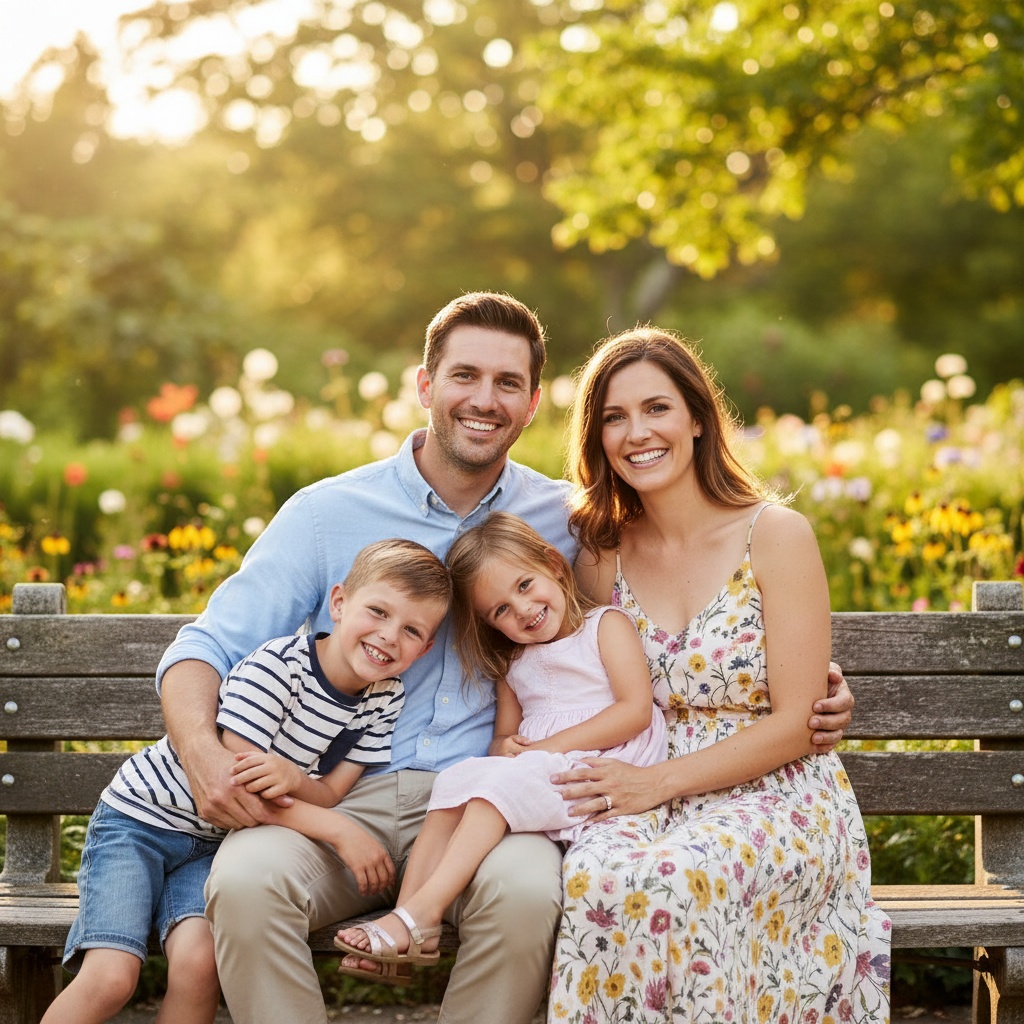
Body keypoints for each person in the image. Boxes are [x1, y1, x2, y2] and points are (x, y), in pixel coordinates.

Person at [155, 291, 855, 1024]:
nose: (483, 400)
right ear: (425, 386)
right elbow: (204, 648)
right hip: (341, 794)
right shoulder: (327, 514)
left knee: (530, 896)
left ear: (532, 406)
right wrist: (202, 752)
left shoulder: (572, 522)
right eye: (464, 376)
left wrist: (816, 695)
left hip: (497, 802)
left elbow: (676, 622)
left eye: (507, 384)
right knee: (244, 883)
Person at [546, 327, 890, 1023]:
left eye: (657, 408)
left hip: (776, 791)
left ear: (698, 419)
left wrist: (657, 784)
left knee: (676, 877)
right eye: (613, 417)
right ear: (596, 436)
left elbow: (797, 723)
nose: (636, 432)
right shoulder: (601, 554)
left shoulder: (774, 534)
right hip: (643, 780)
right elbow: (568, 675)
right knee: (596, 875)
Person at [42, 539, 450, 1024]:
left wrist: (295, 777)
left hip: (215, 846)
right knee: (112, 976)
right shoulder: (277, 668)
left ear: (425, 648)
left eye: (411, 630)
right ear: (339, 603)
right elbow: (234, 786)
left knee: (199, 965)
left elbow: (329, 793)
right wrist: (341, 831)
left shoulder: (384, 696)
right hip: (141, 827)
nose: (388, 637)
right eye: (378, 612)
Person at [334, 512, 666, 980]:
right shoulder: (513, 662)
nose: (521, 610)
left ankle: (418, 914)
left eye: (525, 586)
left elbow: (634, 710)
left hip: (603, 763)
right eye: (501, 611)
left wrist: (542, 751)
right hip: (540, 768)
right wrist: (508, 748)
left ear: (553, 564)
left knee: (496, 791)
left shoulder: (604, 626)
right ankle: (413, 932)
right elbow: (502, 739)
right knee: (453, 782)